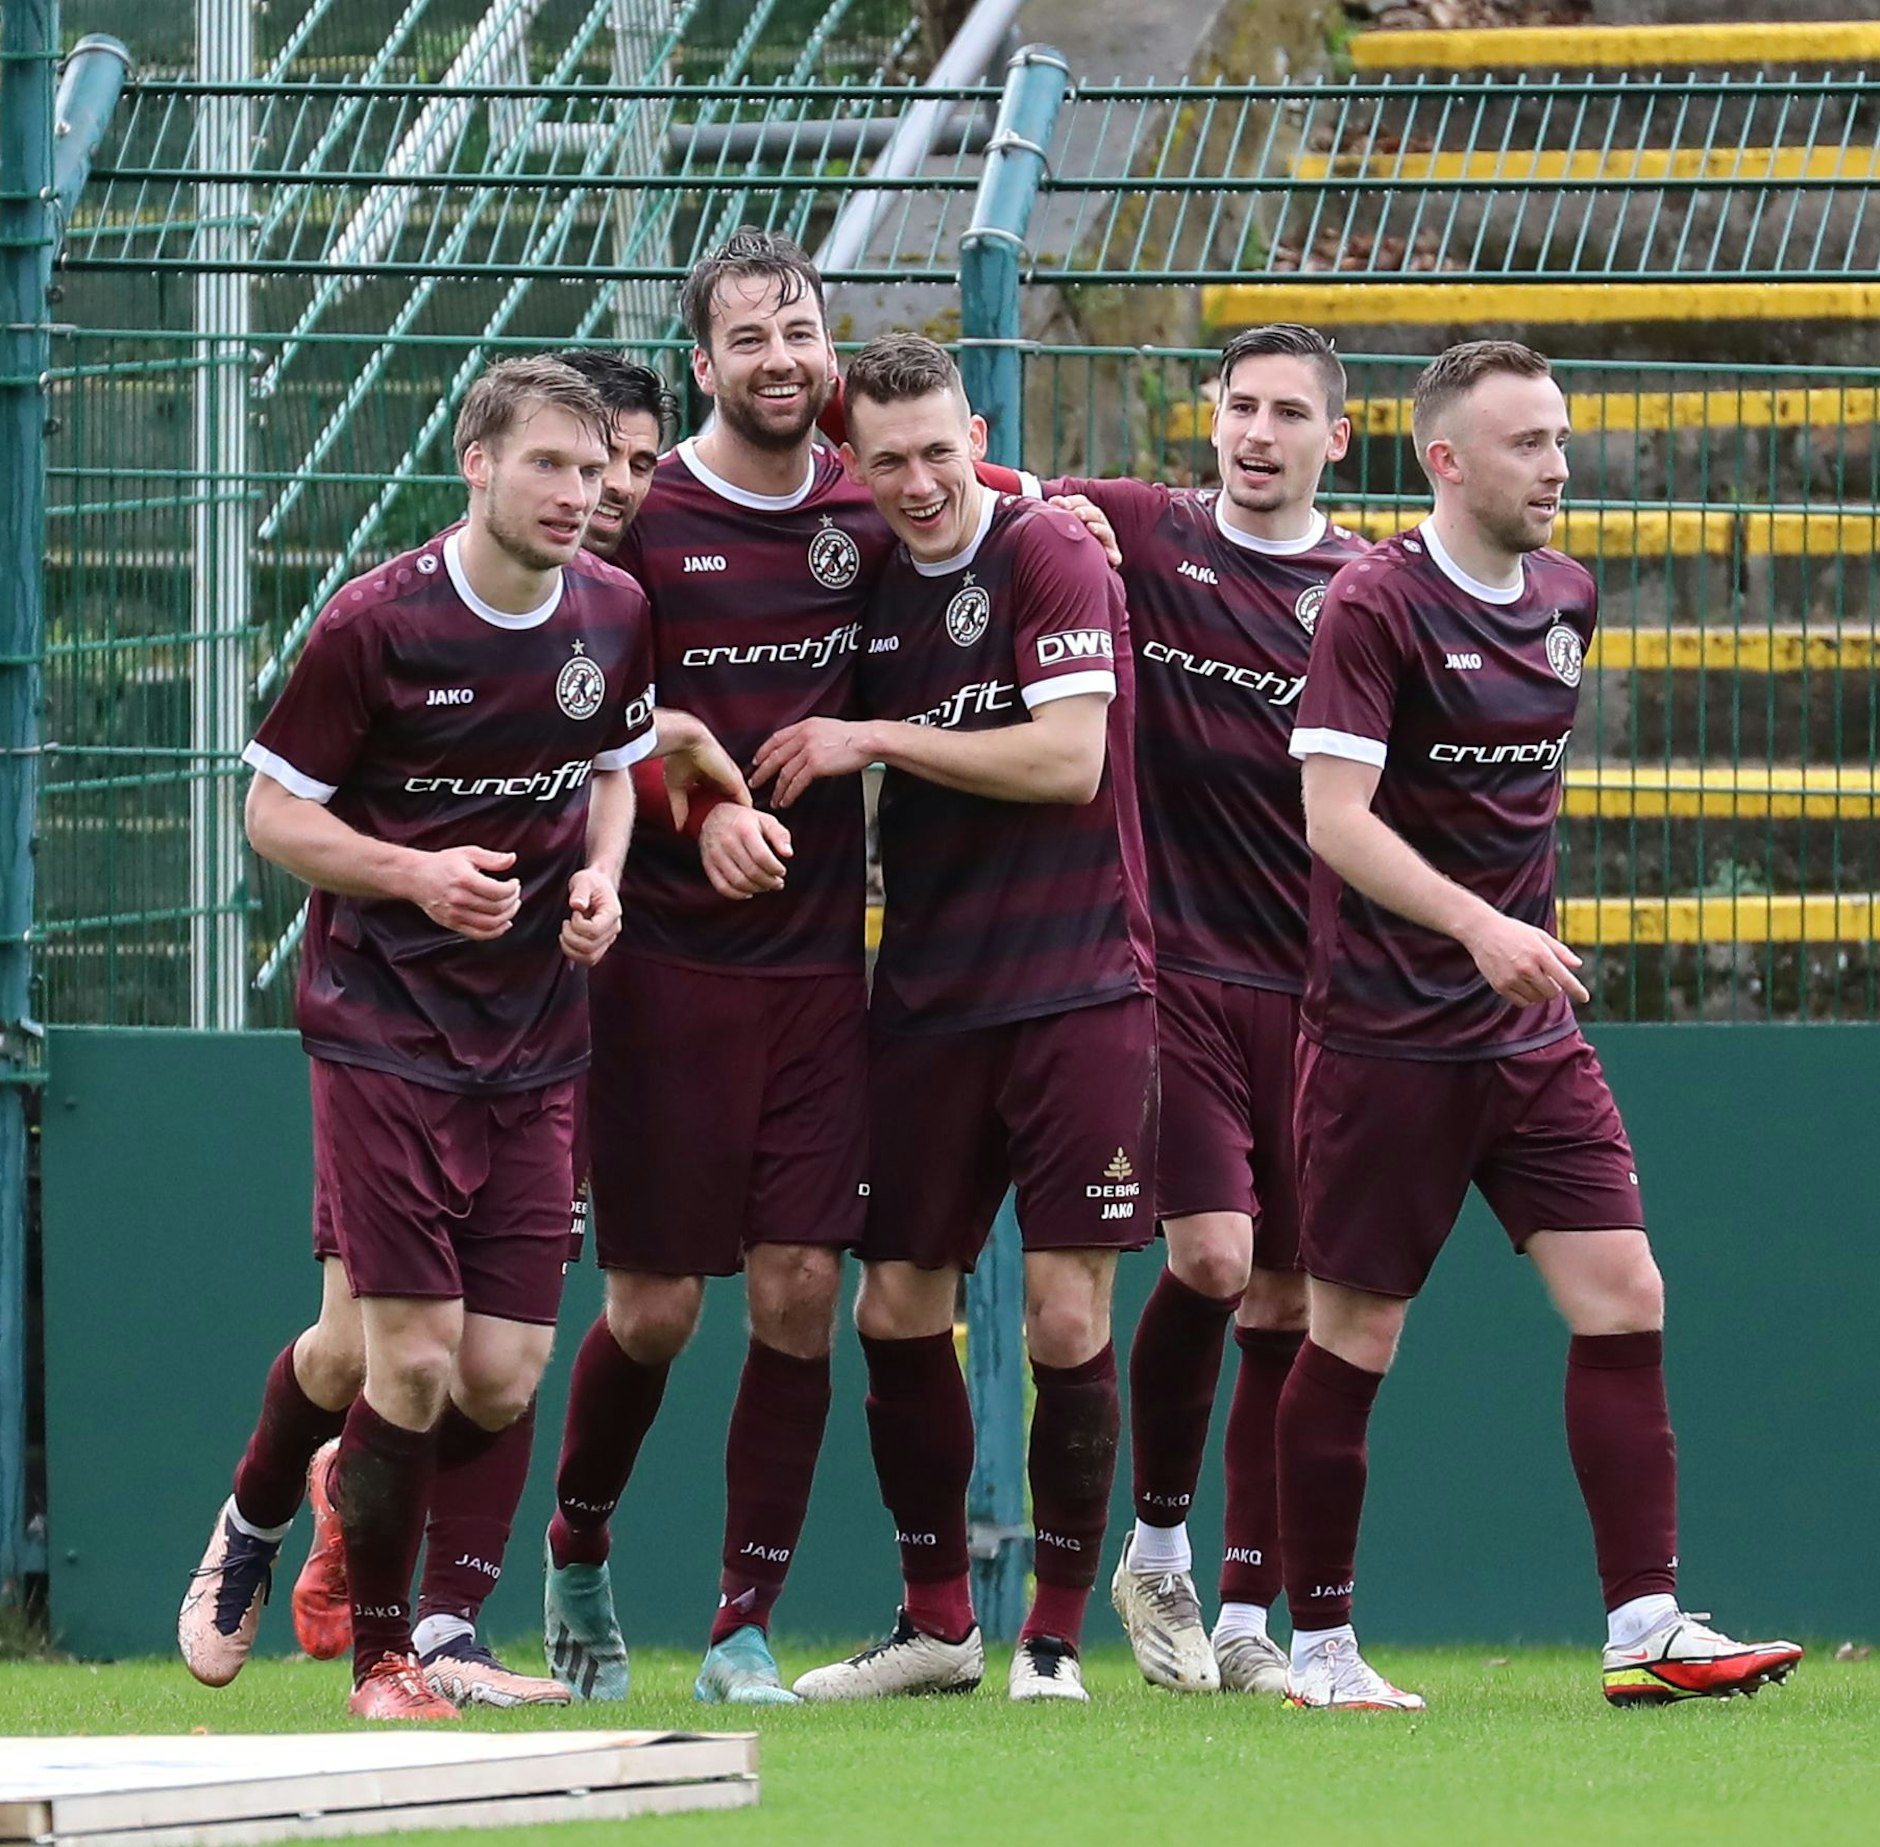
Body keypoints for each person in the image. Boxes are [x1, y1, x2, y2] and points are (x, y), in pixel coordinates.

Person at [177, 354, 738, 1719]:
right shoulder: (378, 624)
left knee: (491, 1370)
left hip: (537, 1033)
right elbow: (274, 817)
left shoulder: (612, 612)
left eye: (598, 465)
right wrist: (414, 874)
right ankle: (385, 1655)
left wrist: (602, 877)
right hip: (384, 1022)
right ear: (476, 465)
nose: (581, 489)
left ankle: (272, 1506)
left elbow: (615, 773)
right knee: (407, 1355)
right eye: (549, 462)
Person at [1278, 338, 1803, 1709]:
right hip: (1387, 1041)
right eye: (1527, 444)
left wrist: (1509, 944)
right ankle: (1321, 1648)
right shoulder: (1371, 607)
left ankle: (1645, 1627)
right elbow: (1334, 825)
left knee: (1626, 1292)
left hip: (1528, 1035)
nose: (1558, 464)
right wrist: (1479, 925)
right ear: (1444, 460)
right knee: (1355, 1338)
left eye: (1561, 438)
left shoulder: (1570, 594)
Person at [758, 332, 1155, 1704]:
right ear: (850, 461)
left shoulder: (1050, 550)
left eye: (942, 451)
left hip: (1080, 991)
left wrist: (874, 740)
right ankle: (937, 1627)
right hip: (925, 996)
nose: (920, 482)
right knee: (895, 1308)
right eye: (887, 460)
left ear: (972, 430)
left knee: (1061, 1314)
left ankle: (1051, 1640)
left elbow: (1068, 757)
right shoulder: (857, 563)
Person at [983, 325, 1364, 1695]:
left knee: (1292, 1299)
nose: (1259, 434)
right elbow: (964, 484)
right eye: (1240, 408)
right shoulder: (1138, 531)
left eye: (1288, 414)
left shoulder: (1366, 588)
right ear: (1210, 420)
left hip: (1324, 995)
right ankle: (1158, 1546)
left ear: (1339, 432)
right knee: (1210, 1259)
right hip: (1177, 979)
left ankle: (1255, 1616)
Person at [543, 230, 888, 1709]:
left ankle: (744, 1624)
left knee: (803, 1288)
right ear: (702, 365)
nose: (779, 360)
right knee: (656, 1313)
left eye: (798, 331)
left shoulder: (870, 509)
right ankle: (575, 1546)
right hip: (662, 964)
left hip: (817, 979)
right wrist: (701, 813)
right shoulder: (640, 518)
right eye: (748, 338)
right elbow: (595, 728)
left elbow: (982, 512)